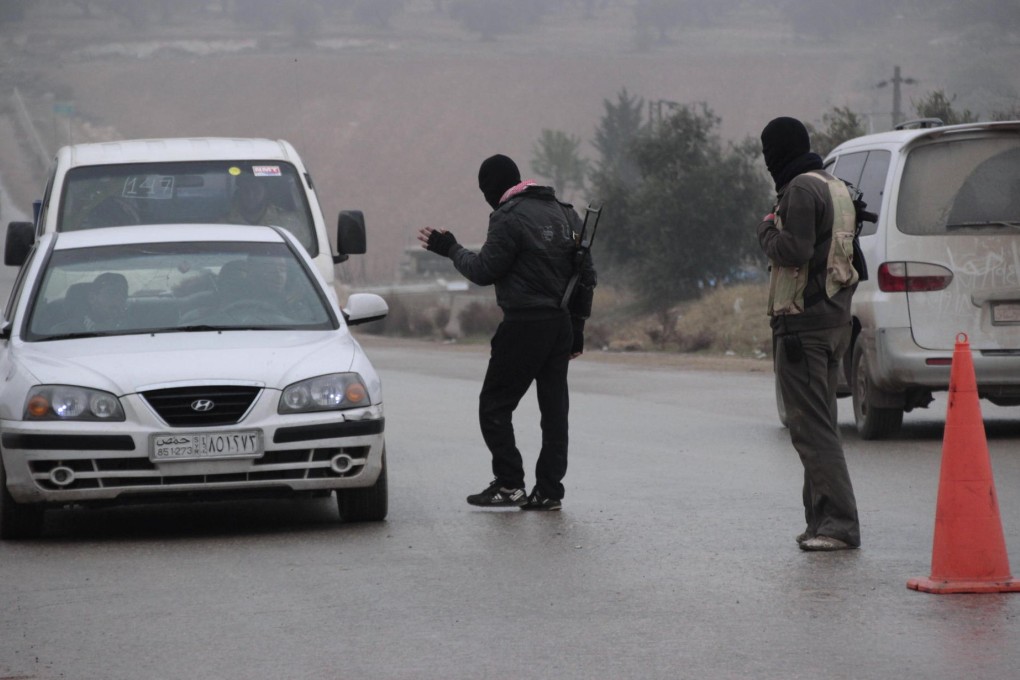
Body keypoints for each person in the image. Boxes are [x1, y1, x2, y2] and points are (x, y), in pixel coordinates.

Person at [417, 154, 596, 511]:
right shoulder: (566, 212)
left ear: (491, 188)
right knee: (554, 412)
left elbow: (484, 270)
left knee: (494, 406)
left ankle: (510, 483)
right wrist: (577, 327)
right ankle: (548, 491)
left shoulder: (507, 217)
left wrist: (449, 248)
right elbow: (586, 274)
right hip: (560, 325)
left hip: (524, 325)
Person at [756, 116, 861, 552]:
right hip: (834, 321)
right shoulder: (832, 184)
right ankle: (819, 520)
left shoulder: (800, 189)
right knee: (818, 426)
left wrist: (765, 229)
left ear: (776, 152)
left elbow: (794, 250)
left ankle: (838, 525)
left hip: (805, 325)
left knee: (812, 430)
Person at [52, 272, 130, 333]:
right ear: (92, 298)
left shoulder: (136, 328)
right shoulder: (63, 331)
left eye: (123, 294)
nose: (119, 299)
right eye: (111, 293)